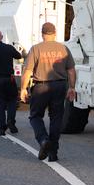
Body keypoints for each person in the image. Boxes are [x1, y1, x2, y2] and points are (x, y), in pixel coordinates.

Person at [20, 22, 76, 162]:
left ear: (42, 34)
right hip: (60, 86)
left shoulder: (36, 49)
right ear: (55, 33)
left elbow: (27, 71)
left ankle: (43, 140)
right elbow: (71, 70)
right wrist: (72, 87)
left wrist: (23, 89)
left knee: (35, 116)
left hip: (41, 87)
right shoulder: (63, 49)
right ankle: (53, 153)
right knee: (56, 118)